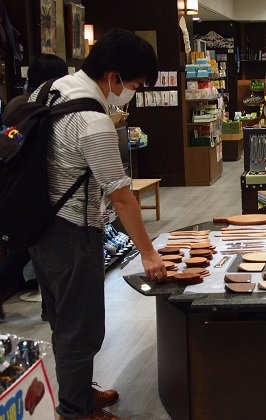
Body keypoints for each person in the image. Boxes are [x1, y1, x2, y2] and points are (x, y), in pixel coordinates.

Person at [27, 28, 166, 420]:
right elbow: (120, 196)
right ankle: (76, 411)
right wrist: (148, 253)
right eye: (133, 85)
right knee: (82, 328)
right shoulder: (92, 120)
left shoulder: (48, 91)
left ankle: (77, 393)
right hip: (73, 231)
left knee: (63, 320)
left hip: (38, 227)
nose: (131, 93)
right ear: (113, 76)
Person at [0, 53, 69, 321]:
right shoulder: (42, 106)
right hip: (36, 189)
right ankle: (48, 307)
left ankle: (48, 307)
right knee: (30, 247)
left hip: (18, 187)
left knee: (28, 246)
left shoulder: (17, 104)